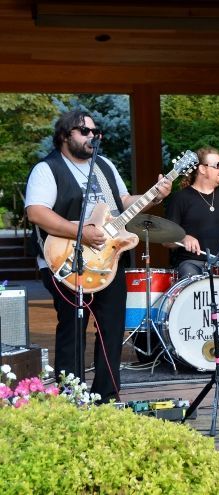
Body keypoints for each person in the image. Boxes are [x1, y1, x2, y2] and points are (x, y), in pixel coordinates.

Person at [25, 109, 172, 402]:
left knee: (112, 328)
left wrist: (153, 195)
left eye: (95, 131)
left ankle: (106, 396)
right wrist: (79, 231)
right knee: (73, 326)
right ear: (65, 136)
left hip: (107, 259)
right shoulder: (47, 169)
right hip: (65, 259)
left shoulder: (103, 165)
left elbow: (122, 202)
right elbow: (36, 211)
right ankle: (71, 396)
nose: (93, 136)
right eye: (84, 131)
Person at [164, 146, 219, 278]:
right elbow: (166, 240)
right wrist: (183, 238)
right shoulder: (180, 198)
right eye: (218, 165)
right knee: (191, 278)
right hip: (192, 264)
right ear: (202, 169)